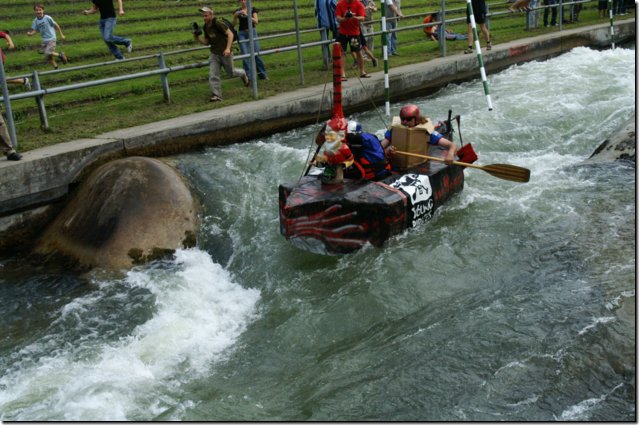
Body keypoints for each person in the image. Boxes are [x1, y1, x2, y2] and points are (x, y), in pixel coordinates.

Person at [194, 6, 250, 102]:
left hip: (225, 53)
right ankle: (216, 95)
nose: (204, 18)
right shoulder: (206, 26)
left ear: (211, 14)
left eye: (206, 15)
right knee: (213, 74)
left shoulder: (218, 22)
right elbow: (207, 42)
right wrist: (197, 37)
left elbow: (230, 35)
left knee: (231, 72)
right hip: (214, 53)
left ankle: (243, 74)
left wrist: (228, 49)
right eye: (203, 16)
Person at [381, 104, 457, 165]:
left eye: (408, 119)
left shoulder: (426, 132)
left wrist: (450, 154)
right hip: (397, 164)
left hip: (418, 165)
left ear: (416, 119)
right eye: (403, 119)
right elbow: (380, 147)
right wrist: (387, 151)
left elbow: (452, 145)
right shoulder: (394, 130)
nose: (405, 122)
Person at [232, 0, 268, 82]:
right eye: (242, 0)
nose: (244, 1)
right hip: (242, 34)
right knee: (245, 56)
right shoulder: (237, 11)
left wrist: (247, 15)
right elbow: (233, 24)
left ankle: (262, 75)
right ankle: (248, 78)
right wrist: (235, 16)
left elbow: (256, 21)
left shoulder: (252, 9)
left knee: (257, 54)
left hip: (252, 32)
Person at [335, 0, 370, 80]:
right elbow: (338, 18)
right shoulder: (340, 4)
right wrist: (345, 18)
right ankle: (342, 74)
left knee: (358, 51)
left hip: (354, 33)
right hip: (342, 33)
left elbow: (362, 18)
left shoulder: (358, 4)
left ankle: (362, 71)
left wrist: (354, 17)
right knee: (342, 52)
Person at [27, 4, 68, 69]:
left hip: (51, 38)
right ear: (34, 11)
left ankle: (61, 55)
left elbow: (56, 25)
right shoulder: (35, 21)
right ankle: (56, 68)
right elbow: (35, 30)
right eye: (36, 10)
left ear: (43, 10)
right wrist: (30, 34)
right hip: (44, 40)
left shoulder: (48, 18)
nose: (38, 12)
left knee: (48, 52)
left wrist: (61, 34)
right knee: (48, 56)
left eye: (40, 10)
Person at [315, 0, 338, 66]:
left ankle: (329, 60)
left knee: (326, 43)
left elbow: (316, 11)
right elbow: (336, 9)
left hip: (323, 23)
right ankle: (333, 59)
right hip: (332, 23)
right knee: (335, 42)